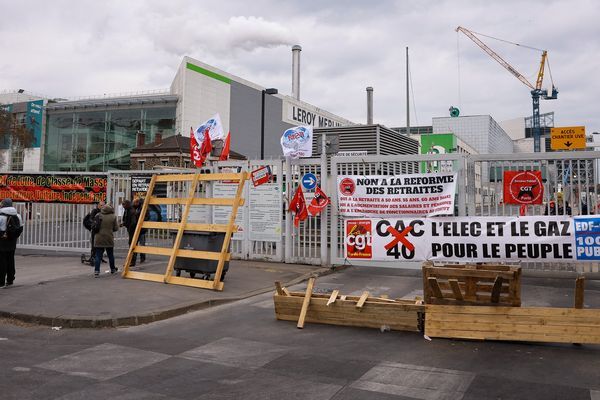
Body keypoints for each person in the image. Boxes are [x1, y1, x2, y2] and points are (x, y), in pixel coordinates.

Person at [0, 198, 23, 288]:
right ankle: (10, 279)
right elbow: (20, 228)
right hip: (12, 241)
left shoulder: (1, 216)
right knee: (10, 259)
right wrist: (13, 236)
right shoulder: (17, 215)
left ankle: (1, 282)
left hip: (2, 241)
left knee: (2, 261)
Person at [92, 203, 119, 277]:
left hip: (99, 238)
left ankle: (96, 271)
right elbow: (116, 228)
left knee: (98, 255)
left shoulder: (98, 215)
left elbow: (94, 226)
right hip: (109, 238)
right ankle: (113, 269)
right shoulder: (113, 216)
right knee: (110, 255)